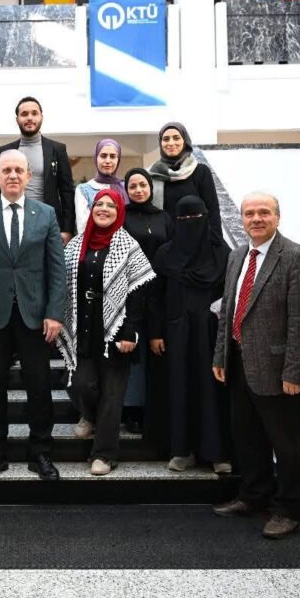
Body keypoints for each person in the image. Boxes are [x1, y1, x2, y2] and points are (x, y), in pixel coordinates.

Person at [211, 192, 300, 540]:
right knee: (247, 437)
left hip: (279, 369)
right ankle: (254, 495)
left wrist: (295, 372)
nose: (256, 219)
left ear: (277, 217)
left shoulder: (297, 257)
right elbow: (228, 311)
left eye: (264, 212)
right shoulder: (237, 256)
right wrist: (220, 356)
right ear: (241, 219)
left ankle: (290, 509)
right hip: (239, 362)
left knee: (285, 443)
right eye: (249, 213)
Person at [0, 149, 66, 481]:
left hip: (35, 317)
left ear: (28, 177)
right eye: (6, 170)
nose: (12, 175)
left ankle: (41, 454)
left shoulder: (46, 214)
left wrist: (54, 313)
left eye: (18, 170)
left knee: (40, 388)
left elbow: (57, 269)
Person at [56, 189, 154, 476]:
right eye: (99, 204)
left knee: (112, 394)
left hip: (116, 329)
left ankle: (104, 454)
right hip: (83, 327)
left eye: (111, 205)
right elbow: (62, 283)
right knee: (81, 384)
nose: (104, 209)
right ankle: (88, 414)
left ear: (119, 212)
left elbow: (138, 292)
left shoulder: (128, 245)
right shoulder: (76, 244)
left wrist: (130, 332)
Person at [150, 195, 232, 474]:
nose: (189, 224)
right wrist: (156, 332)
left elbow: (230, 297)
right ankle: (181, 450)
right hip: (176, 332)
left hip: (211, 333)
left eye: (195, 218)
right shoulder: (165, 254)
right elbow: (155, 297)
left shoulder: (222, 254)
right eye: (183, 219)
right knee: (179, 388)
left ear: (206, 219)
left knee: (213, 390)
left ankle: (217, 452)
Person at [120, 168, 175, 435]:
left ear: (150, 187)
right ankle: (132, 410)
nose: (138, 190)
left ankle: (157, 409)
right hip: (131, 291)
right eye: (132, 186)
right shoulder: (122, 216)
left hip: (161, 290)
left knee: (159, 351)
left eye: (143, 185)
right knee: (136, 354)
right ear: (126, 190)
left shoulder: (164, 218)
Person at [0, 96, 75, 242]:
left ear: (41, 117)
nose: (29, 118)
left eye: (34, 113)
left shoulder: (57, 149)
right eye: (24, 114)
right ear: (17, 119)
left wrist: (67, 229)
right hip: (12, 221)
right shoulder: (4, 152)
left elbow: (67, 192)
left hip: (48, 223)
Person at [148, 122, 223, 243]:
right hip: (166, 244)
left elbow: (213, 211)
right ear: (161, 143)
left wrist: (215, 242)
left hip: (198, 243)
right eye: (166, 139)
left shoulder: (200, 171)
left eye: (176, 138)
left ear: (185, 141)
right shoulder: (153, 174)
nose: (171, 143)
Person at [73, 138, 127, 233]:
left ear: (118, 160)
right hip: (94, 241)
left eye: (112, 156)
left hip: (125, 241)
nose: (108, 160)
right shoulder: (83, 190)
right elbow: (83, 227)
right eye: (103, 156)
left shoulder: (126, 187)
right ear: (96, 158)